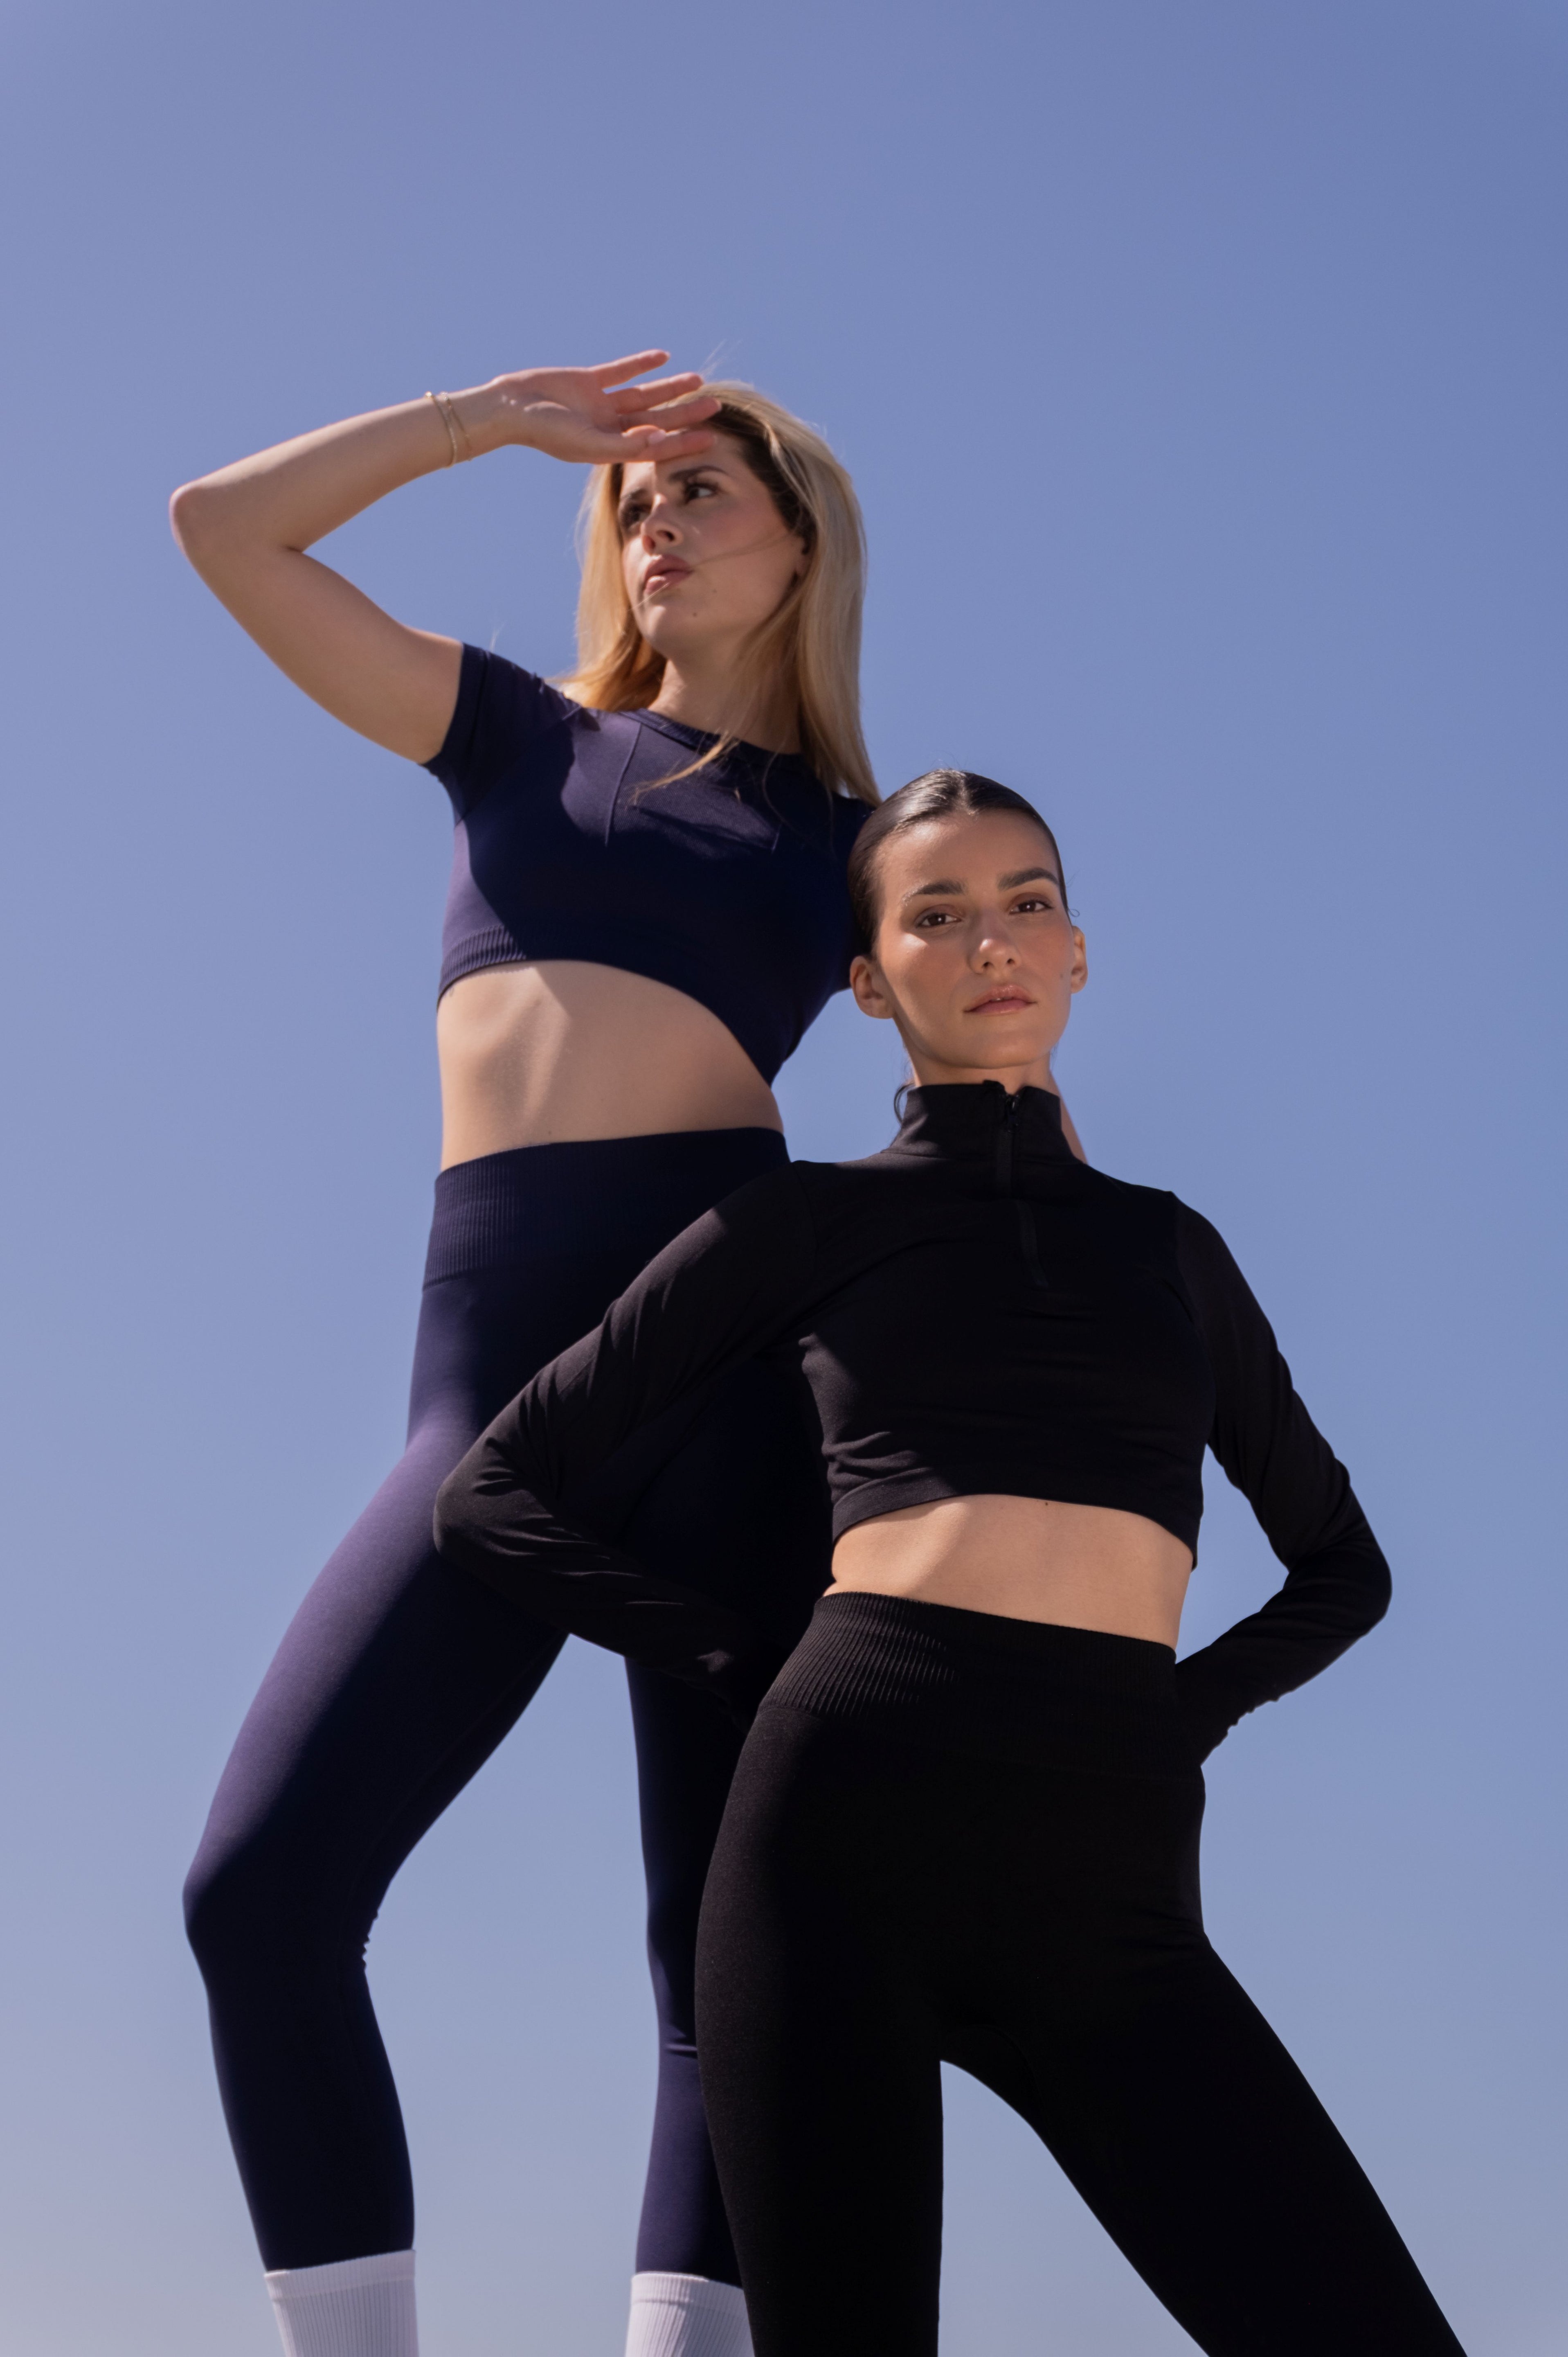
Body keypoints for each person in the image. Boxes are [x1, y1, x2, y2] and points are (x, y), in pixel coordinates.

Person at [434, 769, 1468, 2357]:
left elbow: (1343, 1566)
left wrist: (1177, 1719)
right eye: (937, 915)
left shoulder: (1168, 1248)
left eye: (1026, 903)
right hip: (839, 1835)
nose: (991, 941)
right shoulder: (803, 1225)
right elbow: (497, 1492)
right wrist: (746, 1667)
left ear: (1077, 954)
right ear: (868, 980)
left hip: (1112, 1871)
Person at [171, 354, 892, 2357]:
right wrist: (488, 422)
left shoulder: (853, 842)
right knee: (260, 1898)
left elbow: (991, 1048)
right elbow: (222, 529)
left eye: (705, 498)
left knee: (721, 1963)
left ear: (805, 543)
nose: (655, 525)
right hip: (484, 1394)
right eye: (634, 505)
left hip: (738, 1386)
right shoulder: (516, 736)